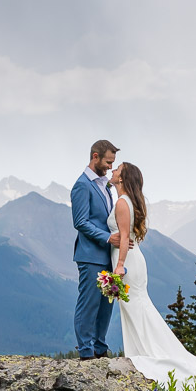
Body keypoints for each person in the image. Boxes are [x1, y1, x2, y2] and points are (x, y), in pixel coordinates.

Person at [108, 162, 196, 391]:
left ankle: (151, 355)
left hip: (127, 263)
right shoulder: (126, 201)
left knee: (137, 308)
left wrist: (119, 266)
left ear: (123, 178)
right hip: (131, 261)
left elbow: (125, 237)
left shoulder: (122, 203)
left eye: (117, 169)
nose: (113, 171)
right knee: (136, 308)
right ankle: (142, 352)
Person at [70, 139, 120, 359]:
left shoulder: (105, 186)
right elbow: (80, 222)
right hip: (90, 256)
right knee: (89, 304)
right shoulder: (82, 185)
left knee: (106, 305)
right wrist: (108, 238)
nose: (110, 167)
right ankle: (86, 350)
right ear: (95, 157)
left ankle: (100, 348)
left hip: (108, 256)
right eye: (108, 162)